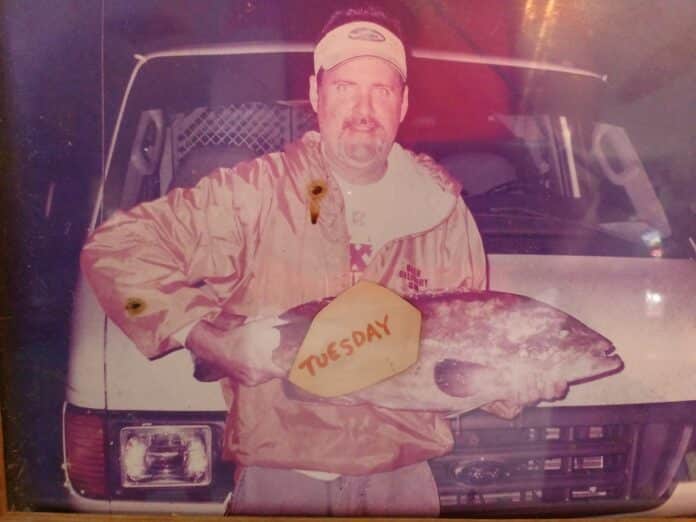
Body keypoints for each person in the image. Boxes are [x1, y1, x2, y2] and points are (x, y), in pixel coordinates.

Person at [81, 5, 566, 516]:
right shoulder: (255, 193)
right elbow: (111, 251)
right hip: (281, 481)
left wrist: (515, 384)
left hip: (402, 485)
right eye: (344, 86)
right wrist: (202, 333)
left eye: (381, 89)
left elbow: (458, 363)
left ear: (403, 103)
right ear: (315, 95)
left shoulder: (443, 214)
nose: (363, 107)